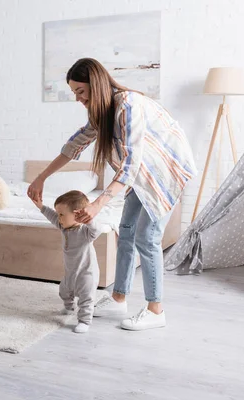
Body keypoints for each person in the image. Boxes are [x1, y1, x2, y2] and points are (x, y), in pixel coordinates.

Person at [28, 58, 197, 331]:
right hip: (139, 175)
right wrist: (41, 177)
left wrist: (98, 203)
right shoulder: (102, 114)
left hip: (165, 171)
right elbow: (75, 145)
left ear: (95, 85)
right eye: (74, 93)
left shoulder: (128, 105)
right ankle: (119, 297)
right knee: (126, 230)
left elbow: (130, 163)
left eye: (80, 91)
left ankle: (156, 310)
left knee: (147, 237)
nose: (77, 98)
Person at [32, 190, 102, 333]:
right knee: (64, 290)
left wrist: (89, 220)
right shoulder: (65, 228)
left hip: (86, 273)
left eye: (62, 215)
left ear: (77, 215)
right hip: (70, 272)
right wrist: (41, 206)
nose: (59, 218)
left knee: (86, 299)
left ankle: (84, 321)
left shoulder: (85, 233)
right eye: (59, 214)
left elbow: (97, 230)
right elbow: (52, 216)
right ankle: (69, 307)